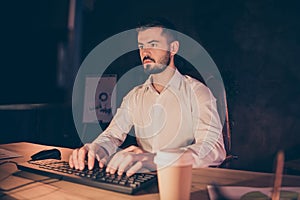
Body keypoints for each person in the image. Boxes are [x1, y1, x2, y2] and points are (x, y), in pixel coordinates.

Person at [69, 18, 226, 176]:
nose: (145, 53)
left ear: (173, 48)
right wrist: (96, 149)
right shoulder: (134, 97)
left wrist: (156, 160)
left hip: (184, 182)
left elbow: (214, 149)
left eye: (153, 44)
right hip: (142, 181)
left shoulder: (198, 92)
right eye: (141, 46)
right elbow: (112, 135)